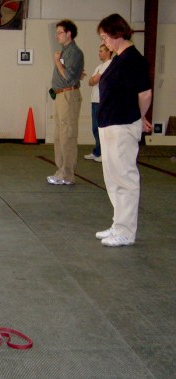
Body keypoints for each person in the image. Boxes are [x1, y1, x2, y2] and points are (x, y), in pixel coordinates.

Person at [95, 14, 152, 247]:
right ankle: (118, 224)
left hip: (122, 124)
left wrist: (139, 116)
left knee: (125, 179)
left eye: (105, 37)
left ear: (118, 34)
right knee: (112, 178)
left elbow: (145, 93)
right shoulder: (119, 58)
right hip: (109, 124)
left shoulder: (134, 59)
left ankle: (126, 231)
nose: (104, 42)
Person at [47, 19, 84, 185]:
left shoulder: (74, 52)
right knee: (59, 136)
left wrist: (57, 63)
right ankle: (60, 170)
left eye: (60, 33)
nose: (57, 36)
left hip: (68, 96)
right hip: (60, 96)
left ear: (69, 33)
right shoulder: (64, 51)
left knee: (67, 135)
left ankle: (67, 174)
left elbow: (68, 77)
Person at [84, 44, 112, 163]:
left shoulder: (110, 65)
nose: (99, 53)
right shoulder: (99, 66)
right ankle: (97, 151)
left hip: (103, 101)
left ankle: (105, 154)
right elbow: (91, 81)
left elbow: (95, 79)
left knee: (102, 128)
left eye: (101, 51)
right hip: (95, 100)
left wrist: (96, 78)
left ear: (108, 52)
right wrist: (95, 78)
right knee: (95, 128)